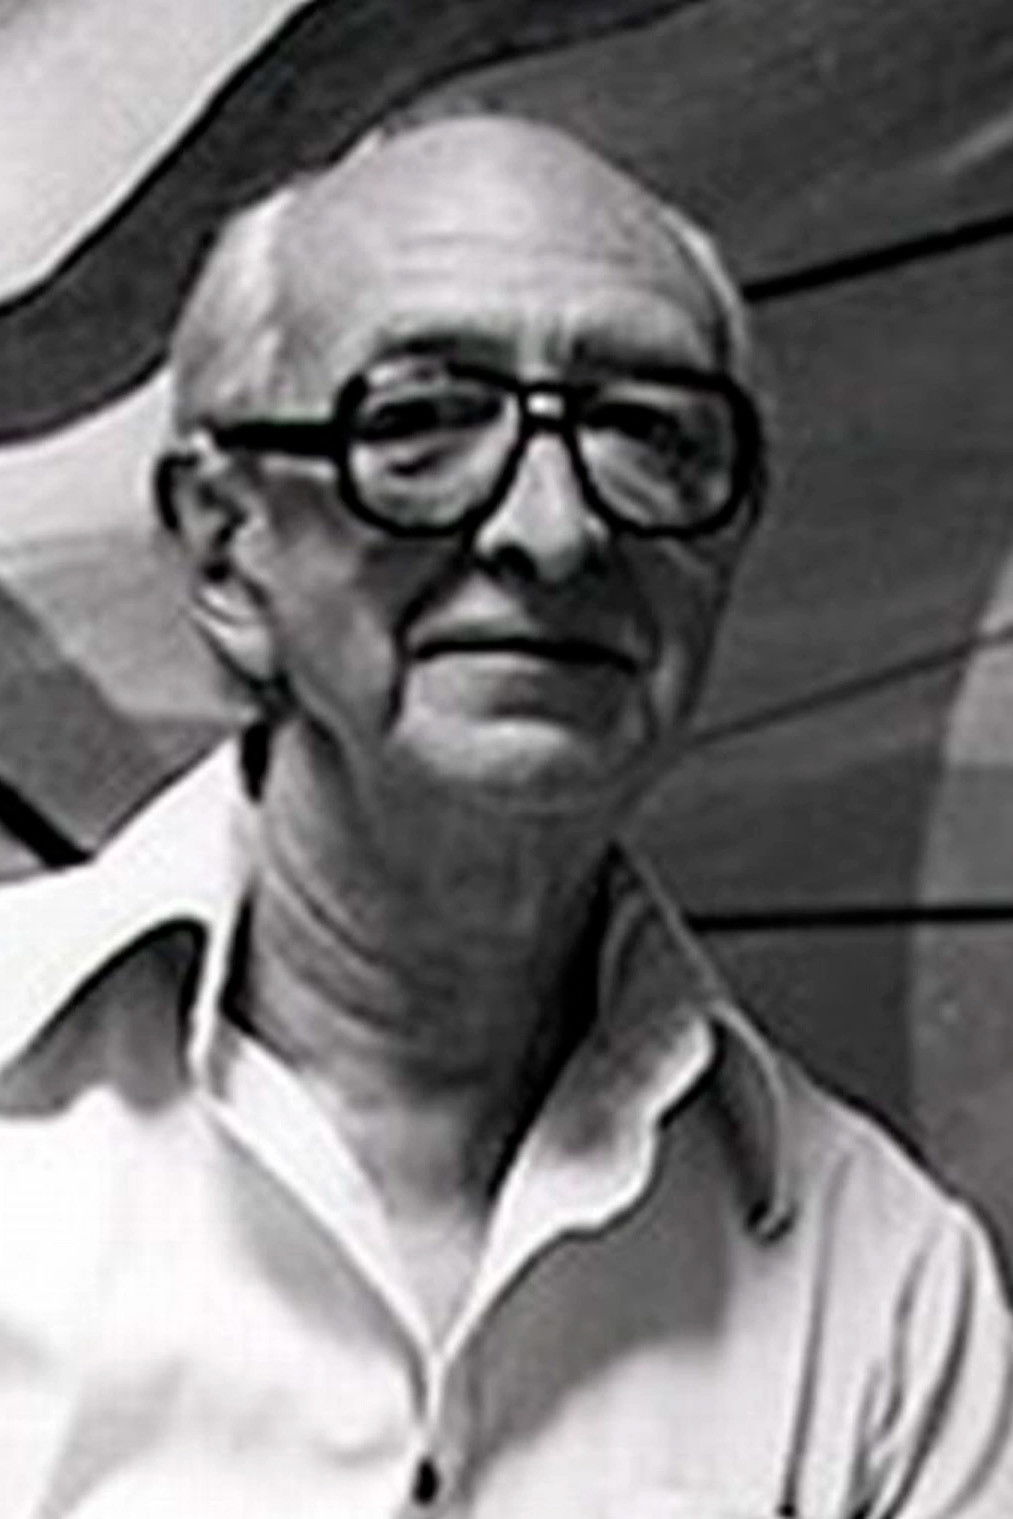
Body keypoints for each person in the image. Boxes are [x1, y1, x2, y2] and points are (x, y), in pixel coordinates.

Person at [0, 112, 1009, 1518]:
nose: (552, 531)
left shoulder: (887, 1290)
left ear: (725, 549)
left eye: (645, 432)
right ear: (227, 549)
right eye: (418, 422)